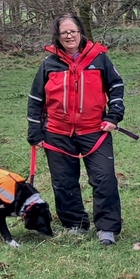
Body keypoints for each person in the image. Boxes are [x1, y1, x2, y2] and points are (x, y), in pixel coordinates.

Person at [27, 14, 125, 246]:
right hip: (57, 133)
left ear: (81, 33)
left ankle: (107, 229)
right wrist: (35, 131)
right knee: (63, 181)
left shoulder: (100, 59)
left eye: (73, 31)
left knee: (104, 179)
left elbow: (117, 87)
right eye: (64, 33)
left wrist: (114, 116)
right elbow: (35, 99)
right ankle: (74, 224)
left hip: (94, 131)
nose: (69, 36)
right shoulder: (49, 64)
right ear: (58, 37)